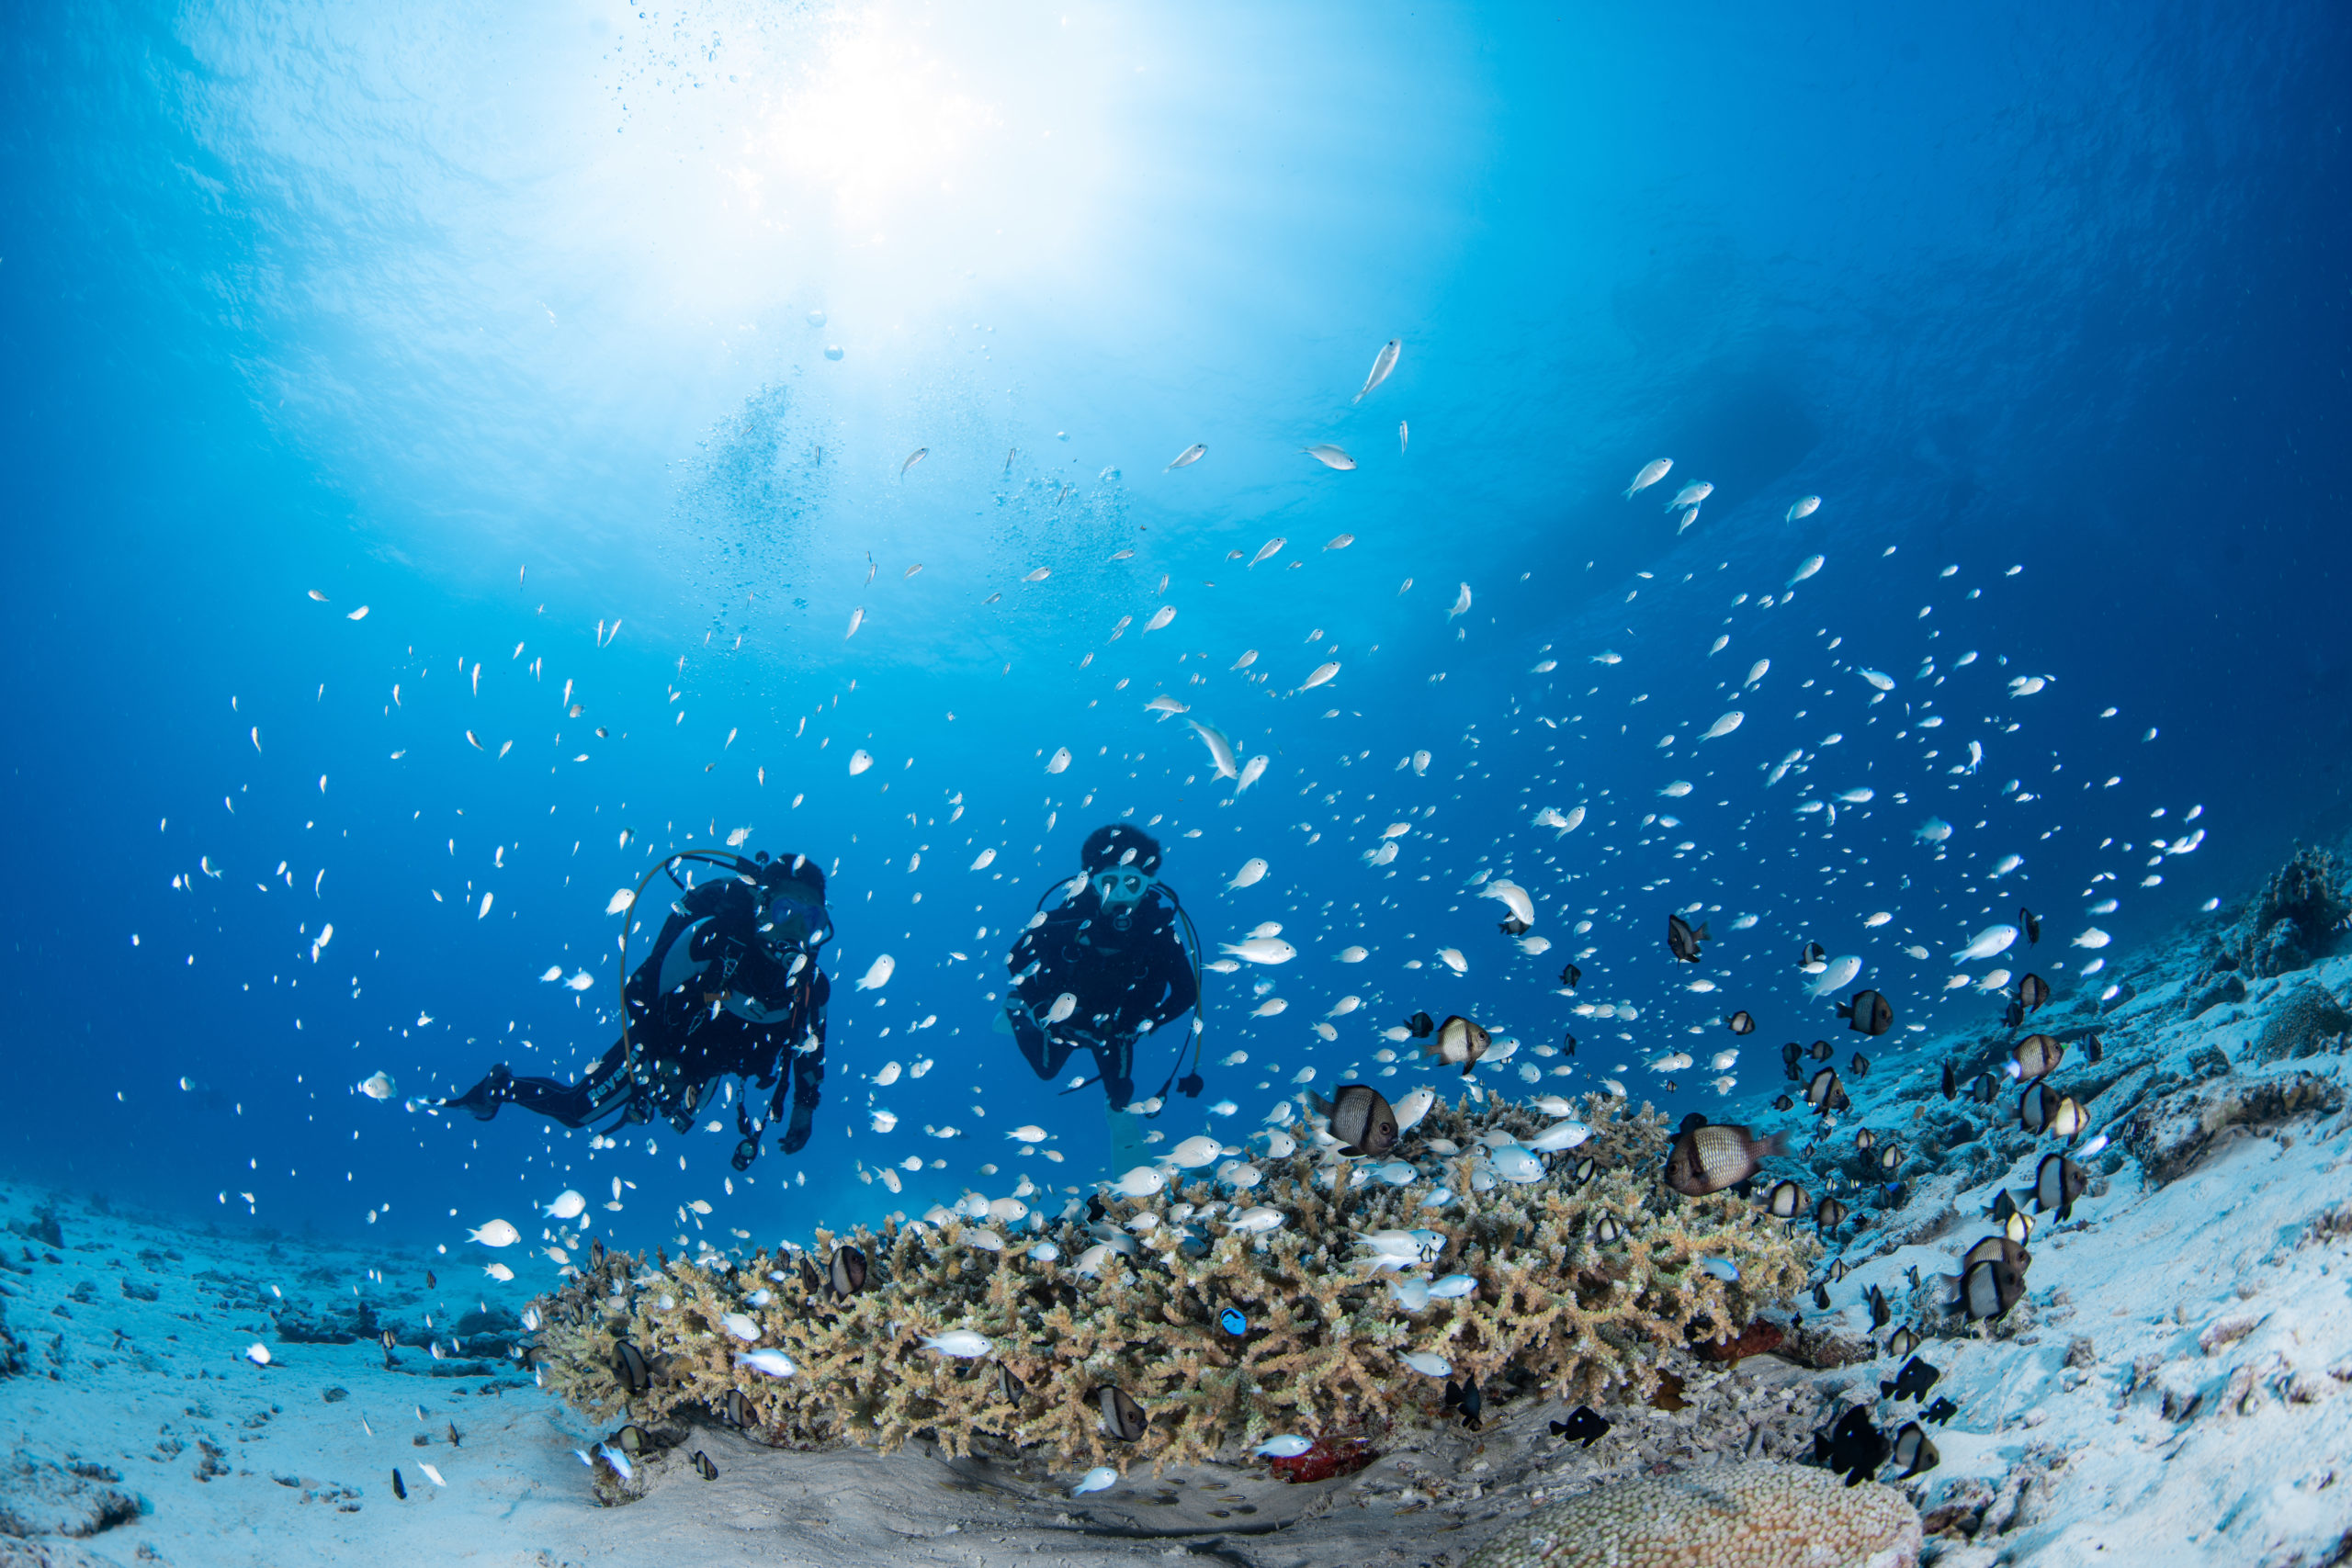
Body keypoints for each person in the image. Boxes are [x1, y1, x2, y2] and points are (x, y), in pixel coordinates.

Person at [444, 850, 832, 1171]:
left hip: (711, 1065)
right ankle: (497, 1087)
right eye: (786, 910)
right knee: (576, 1110)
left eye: (811, 918)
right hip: (660, 1043)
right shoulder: (712, 940)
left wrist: (804, 1109)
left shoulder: (812, 988)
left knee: (678, 1126)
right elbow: (641, 993)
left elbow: (811, 1050)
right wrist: (657, 1059)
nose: (797, 927)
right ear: (762, 904)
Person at [1002, 825, 1203, 1132]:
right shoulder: (1067, 919)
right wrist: (1041, 1008)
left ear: (1148, 884)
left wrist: (1147, 1021)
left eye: (1132, 883)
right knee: (1046, 1069)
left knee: (1122, 1094)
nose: (1120, 894)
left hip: (1118, 1027)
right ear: (1092, 883)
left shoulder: (1157, 931)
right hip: (1063, 1019)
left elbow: (1187, 992)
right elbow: (1017, 958)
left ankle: (1120, 1117)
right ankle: (1016, 1010)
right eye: (1110, 881)